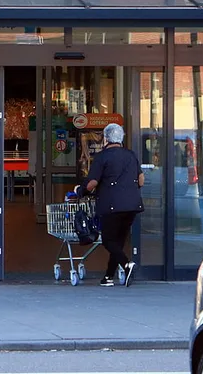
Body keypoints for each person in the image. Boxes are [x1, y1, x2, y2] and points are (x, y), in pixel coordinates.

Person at [79, 123, 144, 287]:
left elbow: (92, 183)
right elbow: (141, 180)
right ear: (121, 139)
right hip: (132, 205)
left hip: (111, 205)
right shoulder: (131, 155)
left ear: (106, 139)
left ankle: (127, 265)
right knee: (118, 242)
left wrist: (81, 191)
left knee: (108, 240)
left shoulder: (102, 157)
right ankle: (108, 277)